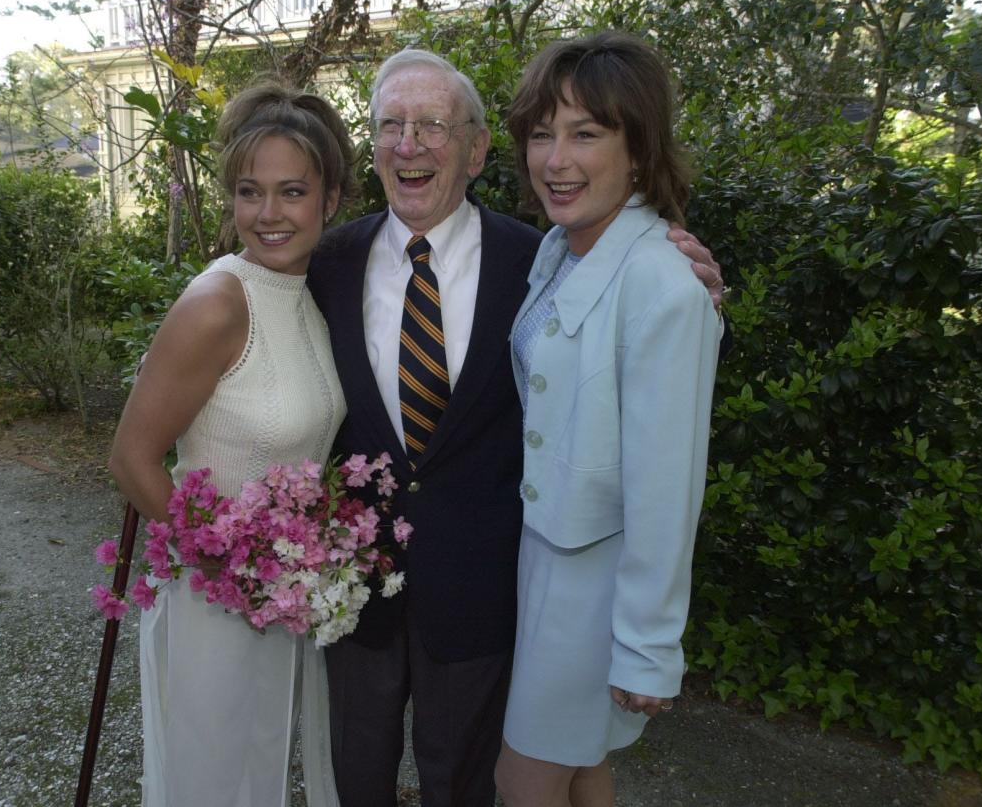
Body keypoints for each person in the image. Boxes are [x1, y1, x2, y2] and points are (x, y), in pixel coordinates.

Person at [306, 48, 724, 807]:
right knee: (358, 779)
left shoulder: (534, 257)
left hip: (491, 592)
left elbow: (660, 449)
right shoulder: (328, 263)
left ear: (475, 148)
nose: (409, 143)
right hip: (361, 590)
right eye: (390, 125)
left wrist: (698, 292)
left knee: (482, 784)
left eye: (433, 123)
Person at [108, 81, 354, 807]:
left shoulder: (312, 293)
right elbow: (131, 457)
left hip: (282, 600)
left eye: (291, 192)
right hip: (213, 605)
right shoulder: (219, 300)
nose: (269, 215)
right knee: (214, 785)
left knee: (262, 777)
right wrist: (226, 569)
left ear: (330, 200)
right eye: (251, 192)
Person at [492, 32, 721, 807]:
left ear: (638, 146)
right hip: (545, 561)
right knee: (582, 765)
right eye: (541, 132)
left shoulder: (664, 282)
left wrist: (649, 648)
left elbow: (668, 486)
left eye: (586, 132)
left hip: (594, 588)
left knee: (522, 780)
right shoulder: (564, 249)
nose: (555, 159)